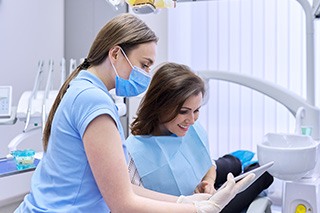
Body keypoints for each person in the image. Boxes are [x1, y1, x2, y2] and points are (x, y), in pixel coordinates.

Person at [15, 14, 254, 213]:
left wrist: (187, 201)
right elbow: (122, 203)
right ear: (116, 54)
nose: (148, 74)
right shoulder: (93, 102)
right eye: (144, 64)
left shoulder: (84, 90)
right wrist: (199, 210)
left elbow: (121, 189)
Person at [126, 62, 274, 213]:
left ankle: (237, 162)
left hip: (200, 182)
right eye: (184, 111)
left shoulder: (187, 127)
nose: (191, 120)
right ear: (160, 105)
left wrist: (209, 182)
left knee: (234, 164)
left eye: (196, 110)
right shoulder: (133, 155)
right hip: (192, 208)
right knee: (264, 174)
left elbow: (207, 163)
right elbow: (131, 201)